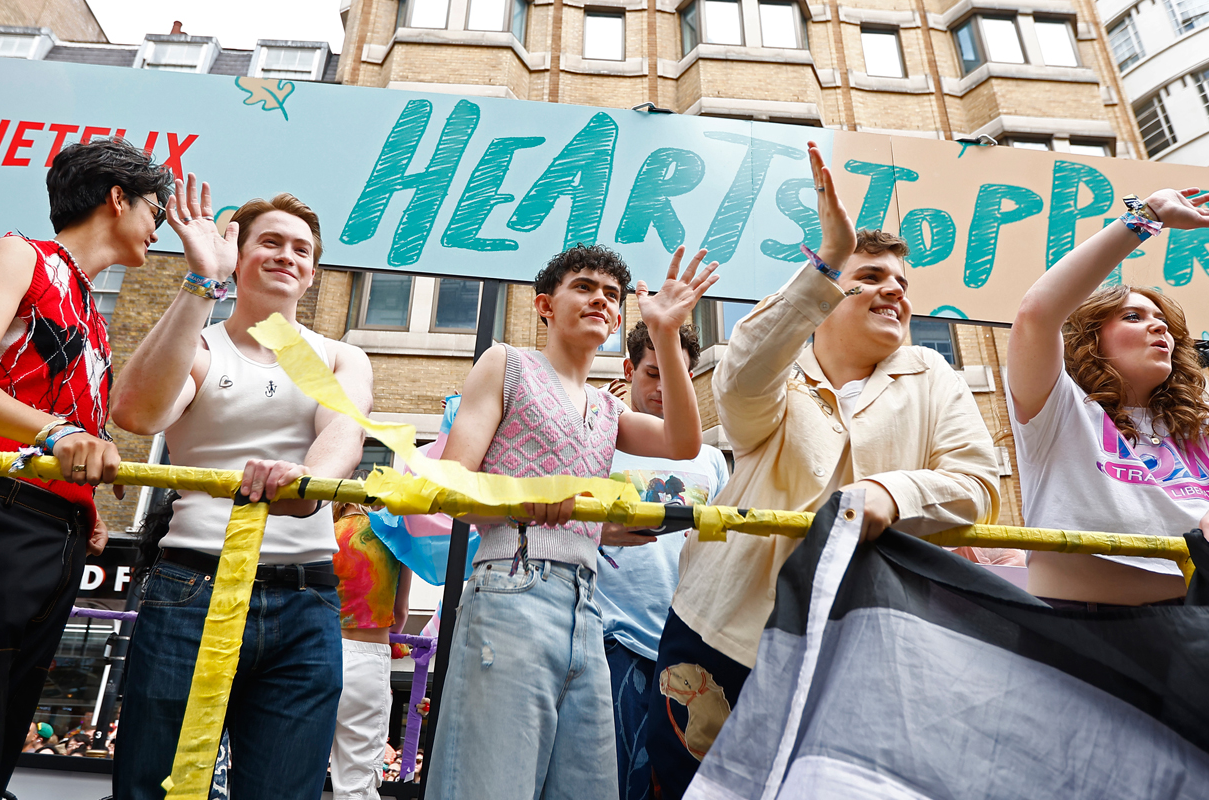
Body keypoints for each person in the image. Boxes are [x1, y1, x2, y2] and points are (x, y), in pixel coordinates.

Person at [649, 142, 1006, 797]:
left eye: (902, 283)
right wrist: (828, 259)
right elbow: (740, 384)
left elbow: (978, 489)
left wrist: (888, 494)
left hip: (863, 651)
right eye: (869, 276)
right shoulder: (778, 374)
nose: (893, 290)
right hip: (726, 638)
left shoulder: (933, 374)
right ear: (827, 293)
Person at [0, 137, 168, 799]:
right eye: (155, 207)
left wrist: (83, 510)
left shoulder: (95, 320)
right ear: (117, 198)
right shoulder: (19, 254)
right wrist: (60, 433)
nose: (161, 222)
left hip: (48, 536)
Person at [423, 243, 719, 800]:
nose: (600, 300)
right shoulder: (506, 363)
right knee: (493, 785)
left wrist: (665, 332)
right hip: (512, 582)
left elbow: (683, 442)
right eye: (583, 287)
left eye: (611, 294)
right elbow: (449, 487)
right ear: (544, 305)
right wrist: (522, 500)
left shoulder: (609, 408)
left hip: (589, 606)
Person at [109, 177, 372, 800]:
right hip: (193, 587)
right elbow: (137, 414)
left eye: (302, 249)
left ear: (313, 273)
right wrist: (202, 281)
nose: (288, 256)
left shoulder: (337, 357)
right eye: (271, 242)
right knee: (156, 783)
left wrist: (307, 482)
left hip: (306, 598)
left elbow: (344, 437)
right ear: (239, 253)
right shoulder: (201, 347)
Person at [1006, 188, 1209, 607]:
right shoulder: (1056, 406)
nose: (1158, 328)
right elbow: (1036, 312)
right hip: (1082, 635)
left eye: (1163, 321)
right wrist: (1148, 217)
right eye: (1132, 317)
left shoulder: (1206, 419)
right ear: (1090, 339)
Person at [597, 321, 730, 800]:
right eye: (652, 373)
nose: (662, 387)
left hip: (688, 649)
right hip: (612, 640)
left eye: (675, 375)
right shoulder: (599, 439)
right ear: (629, 369)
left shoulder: (711, 459)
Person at [330, 498, 411, 800]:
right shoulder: (393, 535)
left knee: (296, 770)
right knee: (357, 782)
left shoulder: (327, 531)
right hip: (367, 657)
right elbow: (400, 613)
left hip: (320, 651)